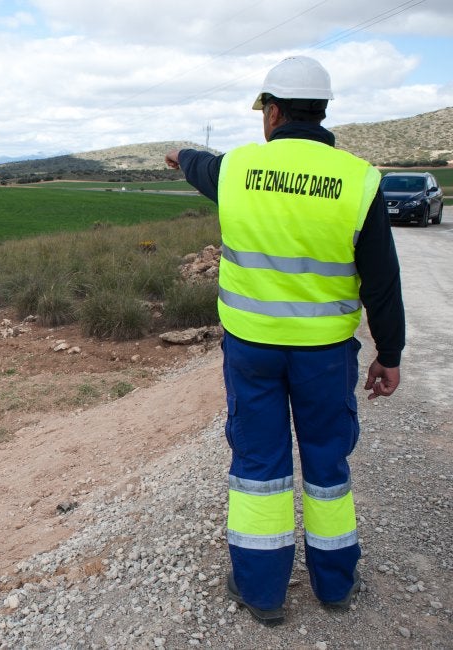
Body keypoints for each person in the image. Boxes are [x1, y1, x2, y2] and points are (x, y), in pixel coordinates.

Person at [165, 55, 404, 626]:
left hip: (253, 350)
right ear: (321, 112)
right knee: (327, 463)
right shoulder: (359, 180)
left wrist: (179, 156)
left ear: (271, 112)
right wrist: (389, 355)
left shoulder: (238, 170)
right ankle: (335, 585)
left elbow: (201, 165)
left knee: (259, 465)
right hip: (325, 354)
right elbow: (384, 281)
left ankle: (263, 591)